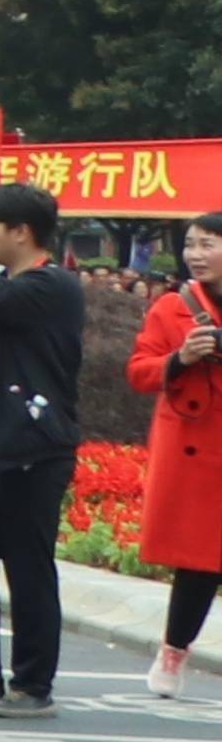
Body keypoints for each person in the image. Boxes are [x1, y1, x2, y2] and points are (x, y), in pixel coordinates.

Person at [0, 178, 90, 718]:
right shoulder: (8, 285)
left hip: (34, 449)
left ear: (22, 232)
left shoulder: (50, 286)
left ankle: (32, 685)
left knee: (27, 570)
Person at [131, 214, 222, 699]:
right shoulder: (172, 307)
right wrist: (180, 359)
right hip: (196, 441)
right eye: (191, 245)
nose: (196, 254)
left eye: (208, 244)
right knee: (200, 560)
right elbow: (139, 371)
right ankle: (174, 650)